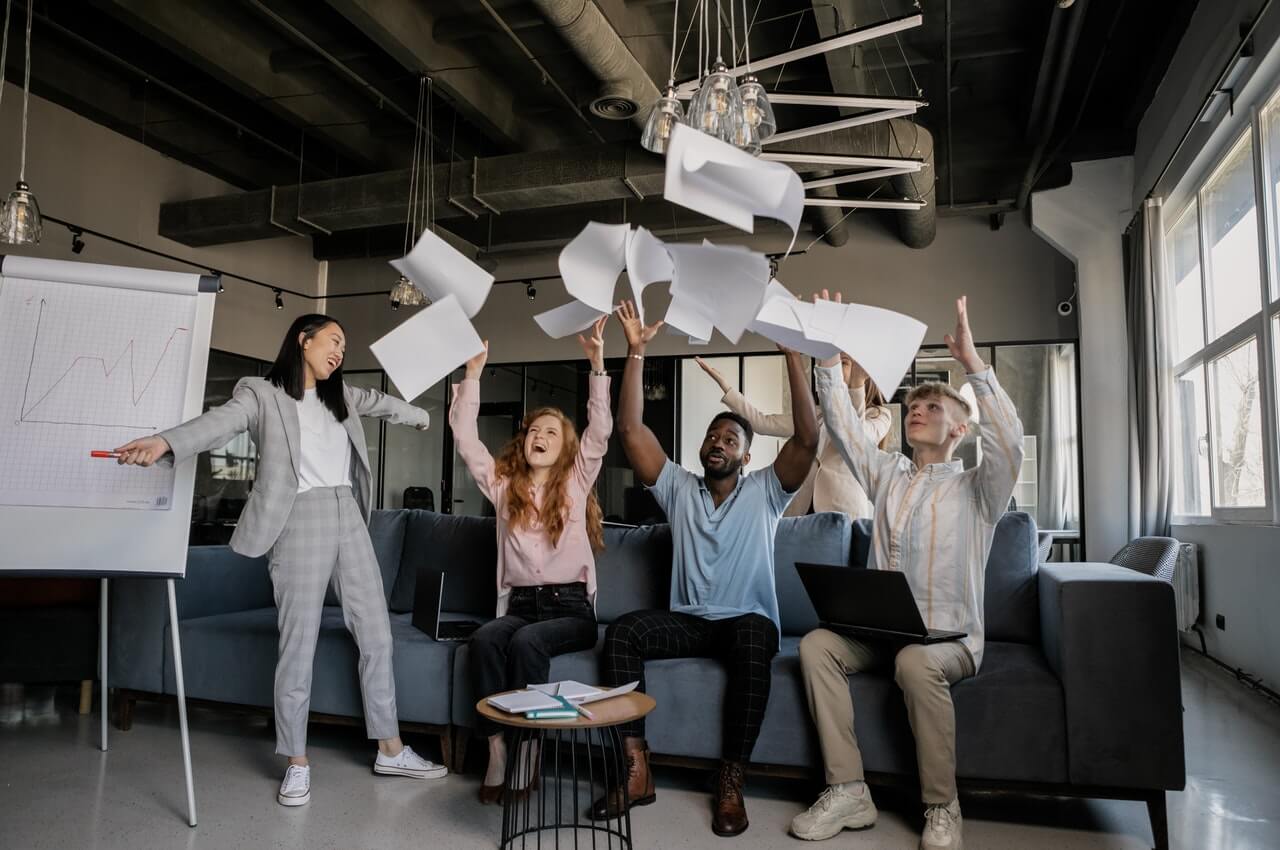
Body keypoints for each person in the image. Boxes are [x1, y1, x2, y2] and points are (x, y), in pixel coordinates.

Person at [114, 314, 446, 808]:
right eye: (333, 340)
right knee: (299, 641)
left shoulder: (342, 397)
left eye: (344, 345)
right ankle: (296, 760)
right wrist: (165, 442)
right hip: (299, 519)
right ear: (302, 340)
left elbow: (382, 404)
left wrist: (422, 415)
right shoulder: (261, 393)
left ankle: (391, 748)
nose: (339, 351)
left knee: (376, 634)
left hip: (348, 515)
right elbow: (217, 423)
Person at [790, 294, 1024, 850]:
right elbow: (845, 431)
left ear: (959, 431)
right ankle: (848, 790)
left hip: (948, 641)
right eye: (913, 406)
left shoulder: (979, 489)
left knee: (918, 663)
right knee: (817, 644)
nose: (917, 410)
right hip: (881, 635)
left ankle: (942, 806)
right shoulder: (888, 475)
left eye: (933, 408)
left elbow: (1009, 443)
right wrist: (826, 355)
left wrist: (973, 365)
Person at [589, 300, 819, 837]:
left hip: (745, 623)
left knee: (758, 634)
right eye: (714, 436)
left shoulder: (766, 492)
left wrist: (793, 358)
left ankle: (731, 781)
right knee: (622, 633)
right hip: (691, 621)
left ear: (746, 457)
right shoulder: (677, 488)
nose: (718, 443)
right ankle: (636, 769)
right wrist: (637, 350)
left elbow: (807, 440)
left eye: (730, 440)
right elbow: (629, 430)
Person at [450, 317, 612, 805]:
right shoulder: (503, 488)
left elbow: (599, 431)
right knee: (482, 641)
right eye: (533, 431)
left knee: (526, 644)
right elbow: (465, 440)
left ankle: (529, 750)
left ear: (565, 449)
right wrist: (474, 374)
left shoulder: (576, 482)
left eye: (551, 432)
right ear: (524, 442)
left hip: (570, 611)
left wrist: (598, 364)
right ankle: (496, 747)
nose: (539, 435)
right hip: (519, 603)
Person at [694, 353, 892, 518]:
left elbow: (852, 438)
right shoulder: (817, 413)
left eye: (844, 365)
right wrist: (725, 386)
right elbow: (763, 423)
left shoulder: (879, 415)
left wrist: (854, 386)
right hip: (800, 506)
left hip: (841, 507)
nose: (839, 371)